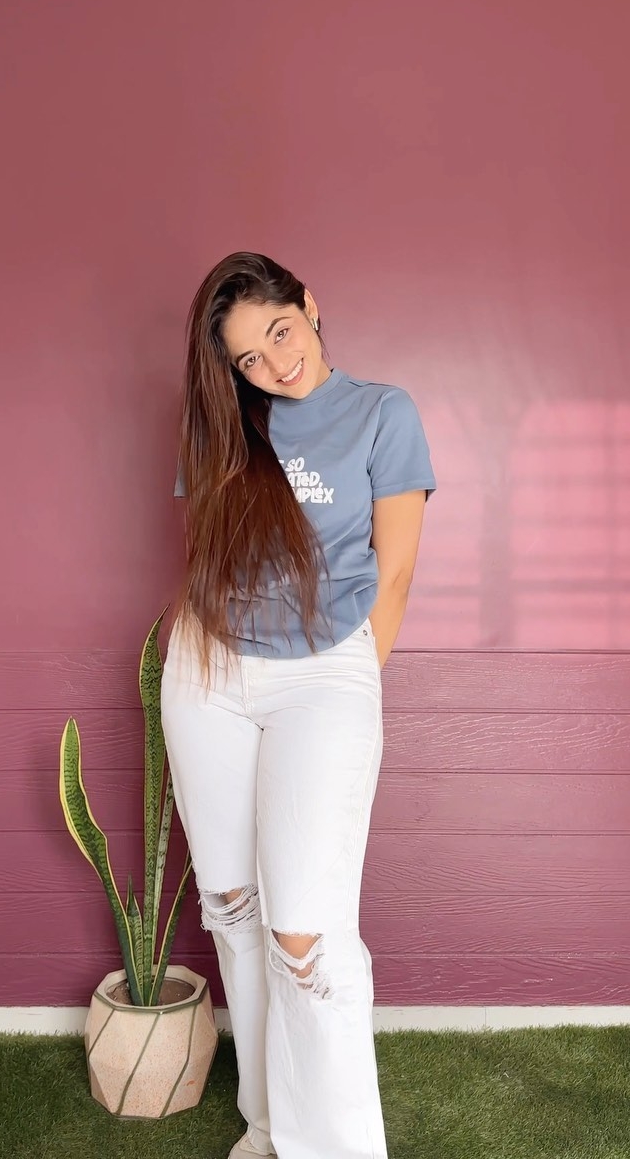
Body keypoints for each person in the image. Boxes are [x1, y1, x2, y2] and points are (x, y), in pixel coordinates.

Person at [160, 251, 437, 1159]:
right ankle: (268, 1125)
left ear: (310, 307)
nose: (277, 365)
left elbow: (395, 575)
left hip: (325, 672)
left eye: (281, 333)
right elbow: (209, 555)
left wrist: (347, 681)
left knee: (305, 935)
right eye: (249, 357)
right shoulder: (223, 427)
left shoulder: (383, 412)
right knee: (233, 908)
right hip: (207, 670)